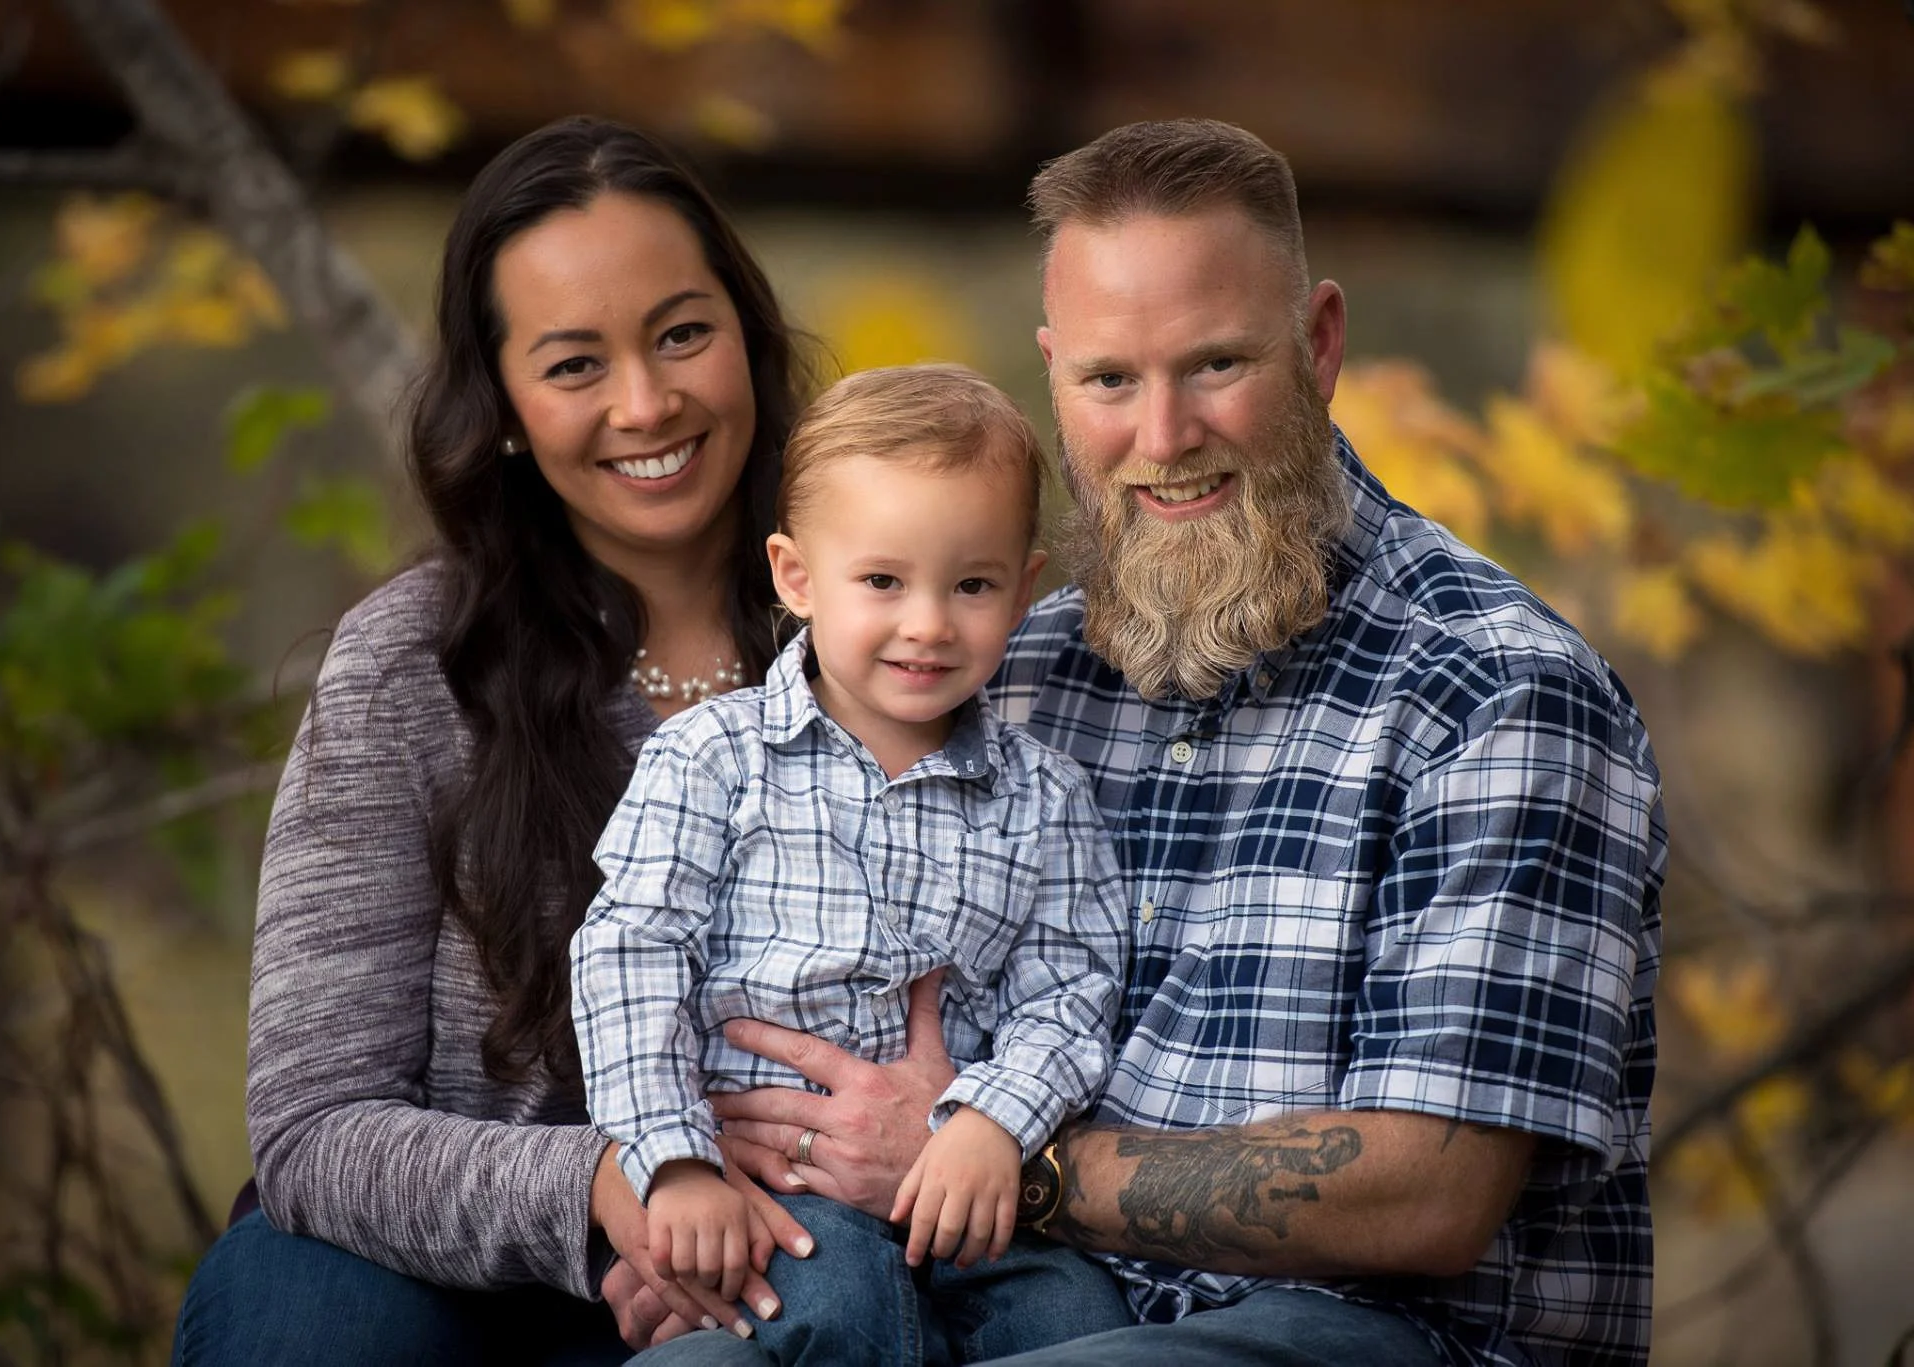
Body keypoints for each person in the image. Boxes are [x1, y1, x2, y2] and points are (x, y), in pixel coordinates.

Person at [633, 120, 1666, 1367]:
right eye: (1110, 380)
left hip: (1366, 1332)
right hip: (993, 1281)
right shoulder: (1009, 668)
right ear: (1054, 372)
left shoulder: (1495, 691)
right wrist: (716, 1211)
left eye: (1216, 363)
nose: (1163, 435)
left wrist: (986, 1155)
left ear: (1320, 343)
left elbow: (1429, 1194)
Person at [170, 116, 829, 1366]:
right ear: (508, 407)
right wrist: (608, 1189)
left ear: (746, 334)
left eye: (682, 332)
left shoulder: (893, 623)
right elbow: (314, 1127)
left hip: (792, 1250)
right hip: (440, 1284)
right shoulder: (413, 665)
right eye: (575, 364)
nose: (647, 402)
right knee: (310, 1322)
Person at [572, 364, 1135, 1365]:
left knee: (1075, 1318)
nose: (926, 623)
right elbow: (630, 953)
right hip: (777, 1189)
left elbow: (1071, 991)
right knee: (839, 1312)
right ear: (795, 576)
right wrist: (672, 1160)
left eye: (970, 584)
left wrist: (992, 1121)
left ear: (1023, 588)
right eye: (881, 580)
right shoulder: (712, 758)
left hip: (956, 1179)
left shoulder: (1045, 796)